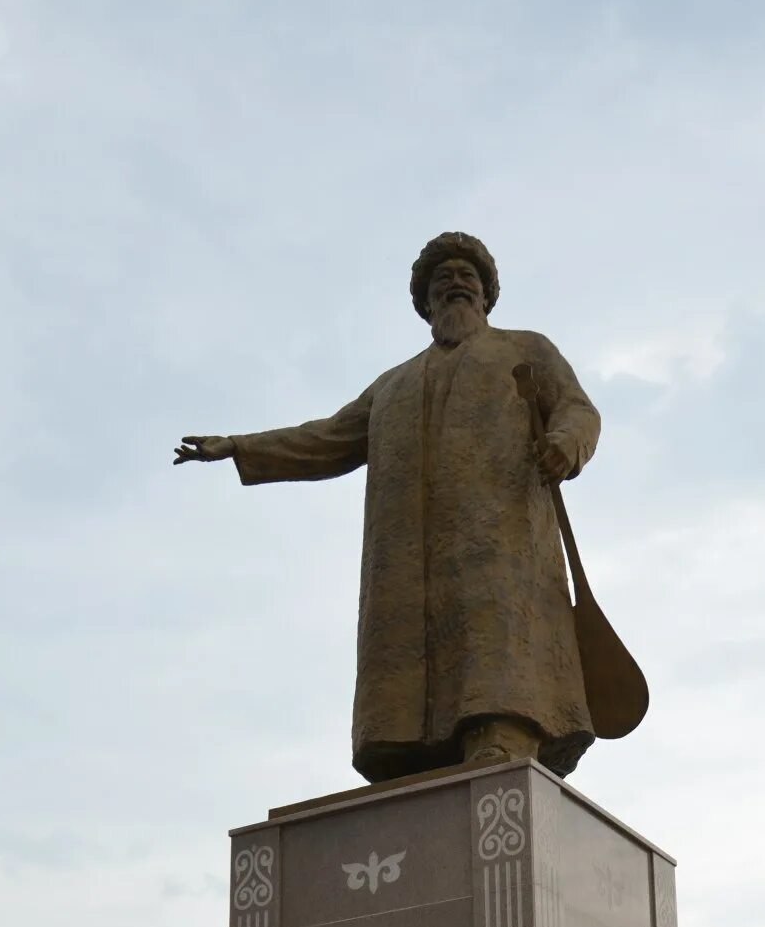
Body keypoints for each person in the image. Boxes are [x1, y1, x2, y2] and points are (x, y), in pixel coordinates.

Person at [176, 232, 604, 781]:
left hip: (499, 536)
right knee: (402, 650)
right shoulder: (393, 386)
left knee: (494, 632)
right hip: (405, 551)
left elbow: (577, 410)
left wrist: (566, 444)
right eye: (441, 278)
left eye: (466, 275)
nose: (455, 282)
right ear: (424, 301)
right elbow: (329, 437)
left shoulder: (525, 350)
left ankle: (500, 732)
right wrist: (240, 446)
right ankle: (407, 746)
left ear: (487, 294)